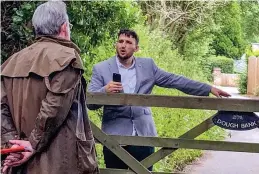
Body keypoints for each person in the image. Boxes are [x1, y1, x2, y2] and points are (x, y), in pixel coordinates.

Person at [87, 29, 230, 171]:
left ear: (136, 48)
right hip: (114, 137)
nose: (123, 45)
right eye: (120, 41)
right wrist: (104, 91)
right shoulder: (101, 69)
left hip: (144, 135)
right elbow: (90, 103)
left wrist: (208, 89)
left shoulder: (148, 66)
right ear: (116, 44)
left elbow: (175, 80)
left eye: (128, 42)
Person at [1, 1, 99, 174]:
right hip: (59, 162)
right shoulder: (67, 59)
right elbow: (54, 108)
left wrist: (13, 146)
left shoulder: (11, 62)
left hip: (20, 163)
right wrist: (31, 144)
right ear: (64, 27)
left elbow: (1, 110)